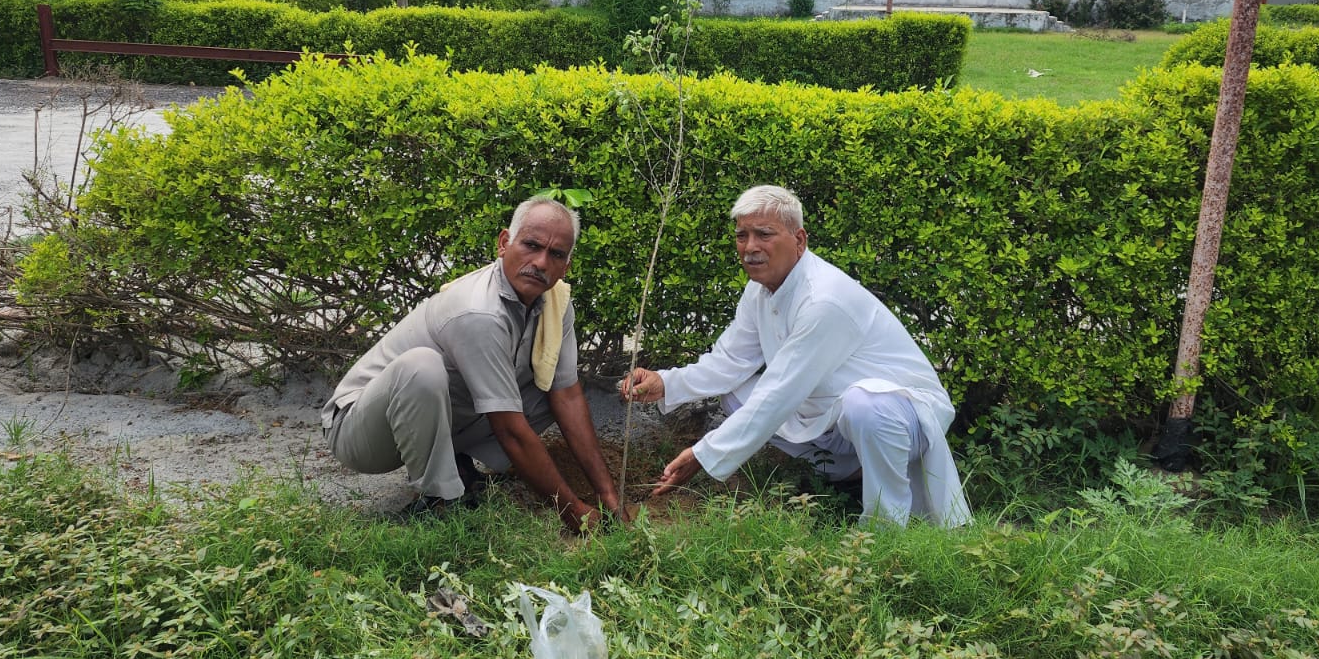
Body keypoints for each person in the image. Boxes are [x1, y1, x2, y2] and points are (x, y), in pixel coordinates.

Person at [620, 185, 972, 527]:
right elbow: (729, 362)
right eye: (742, 235)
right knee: (737, 393)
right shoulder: (759, 290)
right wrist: (665, 382)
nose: (750, 247)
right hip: (836, 417)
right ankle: (848, 473)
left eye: (764, 234)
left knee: (865, 405)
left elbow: (779, 393)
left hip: (902, 419)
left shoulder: (824, 300)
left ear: (799, 241)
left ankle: (886, 526)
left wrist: (703, 453)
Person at [322, 194, 626, 533]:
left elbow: (567, 396)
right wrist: (573, 512)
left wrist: (608, 495)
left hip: (438, 420)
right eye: (531, 245)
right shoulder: (478, 311)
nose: (541, 262)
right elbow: (508, 427)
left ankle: (454, 465)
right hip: (362, 432)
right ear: (503, 243)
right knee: (422, 367)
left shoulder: (555, 303)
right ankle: (440, 500)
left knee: (548, 390)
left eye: (555, 254)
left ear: (566, 267)